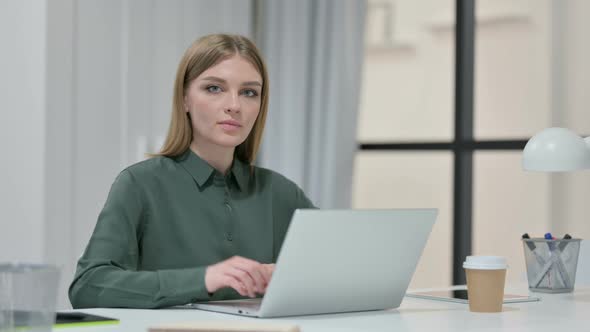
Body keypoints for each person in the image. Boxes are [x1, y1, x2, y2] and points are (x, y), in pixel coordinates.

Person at [68, 34, 315, 309]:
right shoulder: (140, 184)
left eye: (249, 92)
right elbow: (87, 286)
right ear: (185, 99)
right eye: (214, 88)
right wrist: (205, 279)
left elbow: (340, 271)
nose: (234, 105)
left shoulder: (280, 192)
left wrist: (283, 275)